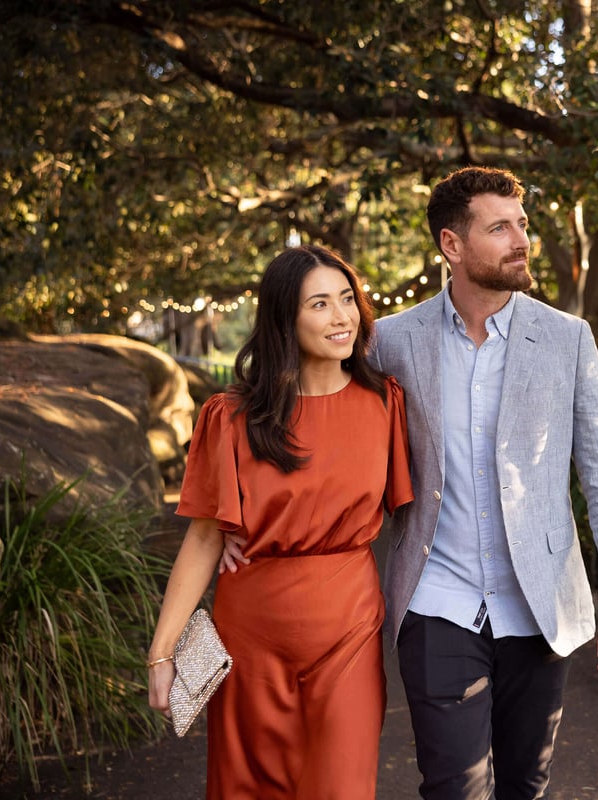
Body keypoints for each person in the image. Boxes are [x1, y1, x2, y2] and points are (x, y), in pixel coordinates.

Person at [374, 165, 598, 800]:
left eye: (522, 224)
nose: (521, 239)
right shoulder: (390, 342)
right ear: (452, 245)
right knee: (453, 788)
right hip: (437, 601)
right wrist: (254, 525)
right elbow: (327, 430)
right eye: (500, 228)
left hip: (539, 606)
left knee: (525, 784)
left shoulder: (566, 339)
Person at [146, 244, 414, 799]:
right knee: (248, 789)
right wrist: (161, 652)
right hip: (250, 639)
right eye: (319, 304)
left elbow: (423, 512)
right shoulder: (232, 417)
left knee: (342, 786)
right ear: (283, 320)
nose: (341, 317)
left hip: (349, 633)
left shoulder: (385, 403)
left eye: (347, 300)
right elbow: (202, 538)